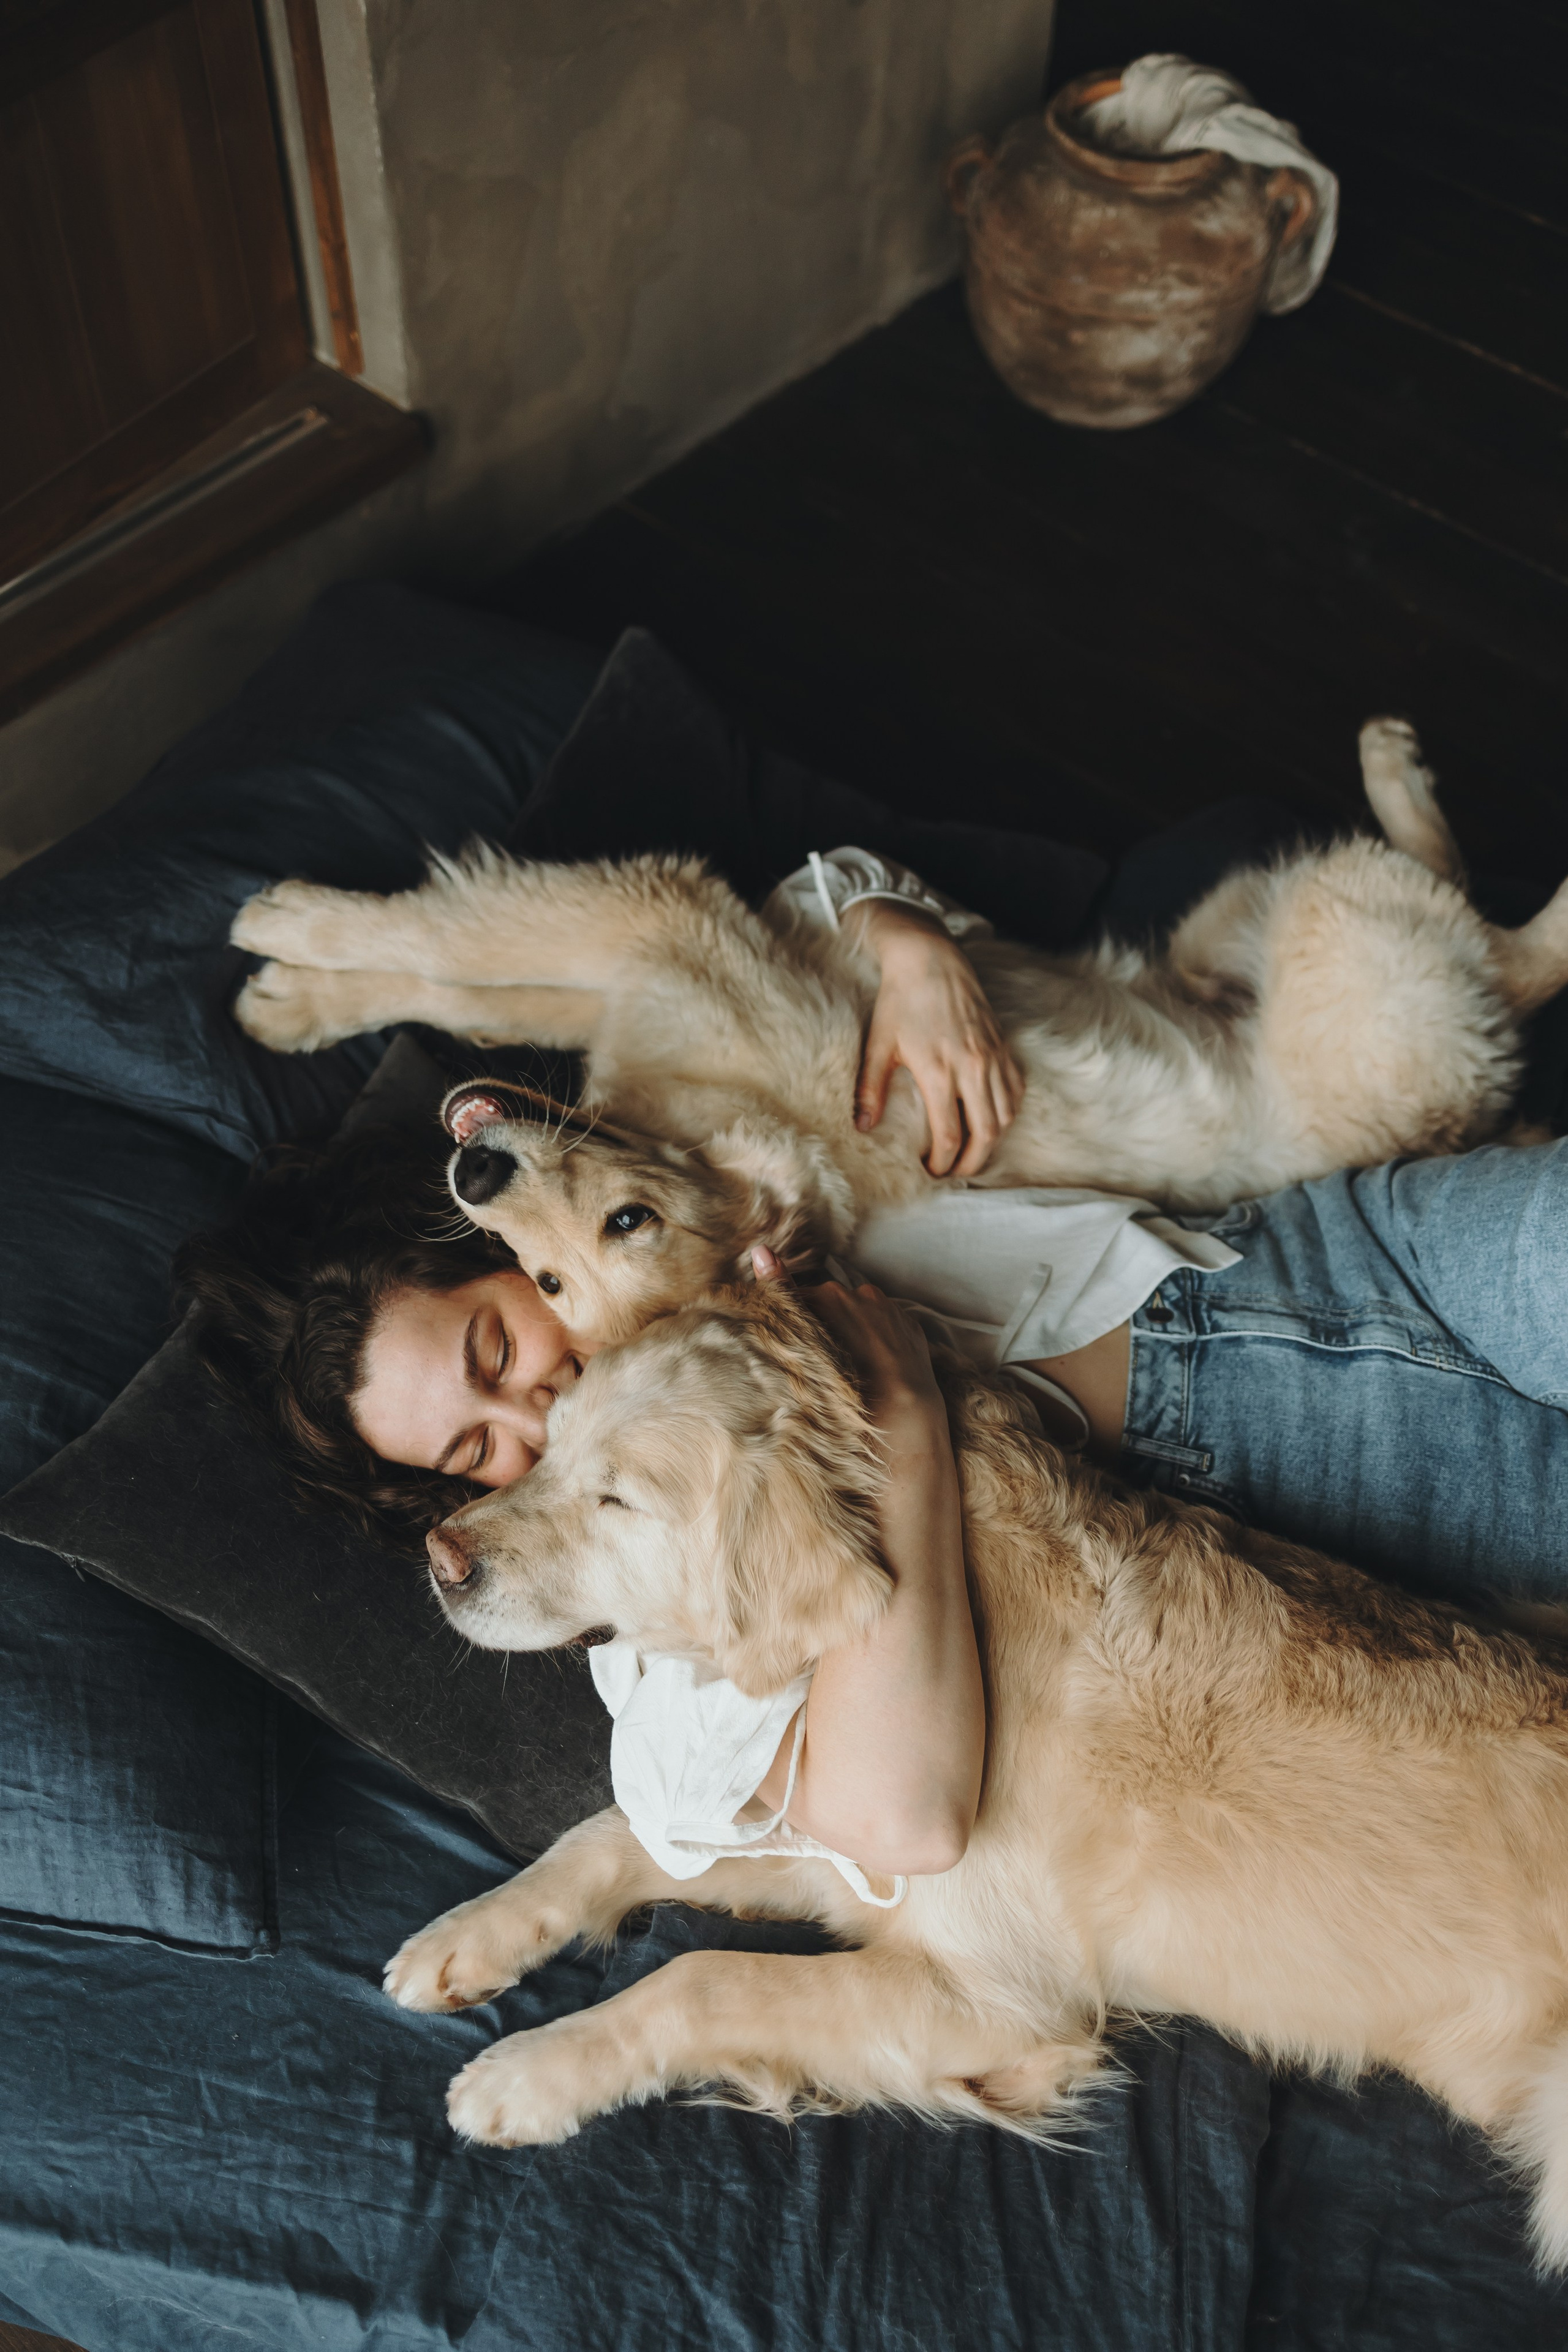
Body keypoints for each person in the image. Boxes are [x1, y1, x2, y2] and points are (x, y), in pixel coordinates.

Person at [187, 853, 1568, 1894]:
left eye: (497, 1350)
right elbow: (898, 1819)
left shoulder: (666, 1171)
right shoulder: (661, 1580)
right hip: (1312, 1468)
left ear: (504, 1252)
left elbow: (755, 920)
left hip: (1320, 1243)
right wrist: (902, 1426)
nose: (531, 1412)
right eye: (472, 1451)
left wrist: (903, 942)